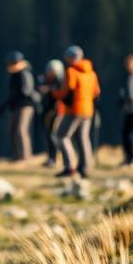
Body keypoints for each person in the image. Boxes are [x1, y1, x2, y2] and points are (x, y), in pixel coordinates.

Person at [53, 45, 100, 178]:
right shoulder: (92, 73)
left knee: (61, 135)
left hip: (74, 109)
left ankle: (70, 166)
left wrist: (54, 93)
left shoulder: (71, 71)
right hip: (88, 109)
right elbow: (97, 92)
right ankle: (84, 167)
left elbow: (67, 91)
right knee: (83, 137)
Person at [0, 51, 39, 162]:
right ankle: (17, 155)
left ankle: (25, 156)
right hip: (15, 106)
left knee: (21, 129)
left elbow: (26, 91)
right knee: (13, 130)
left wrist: (16, 97)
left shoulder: (24, 73)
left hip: (25, 105)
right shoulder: (14, 75)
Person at [38, 59, 67, 168]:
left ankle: (55, 158)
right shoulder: (47, 81)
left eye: (51, 70)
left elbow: (60, 95)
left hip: (57, 111)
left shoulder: (61, 81)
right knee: (49, 135)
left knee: (54, 135)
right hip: (48, 111)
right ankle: (51, 157)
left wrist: (49, 90)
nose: (49, 72)